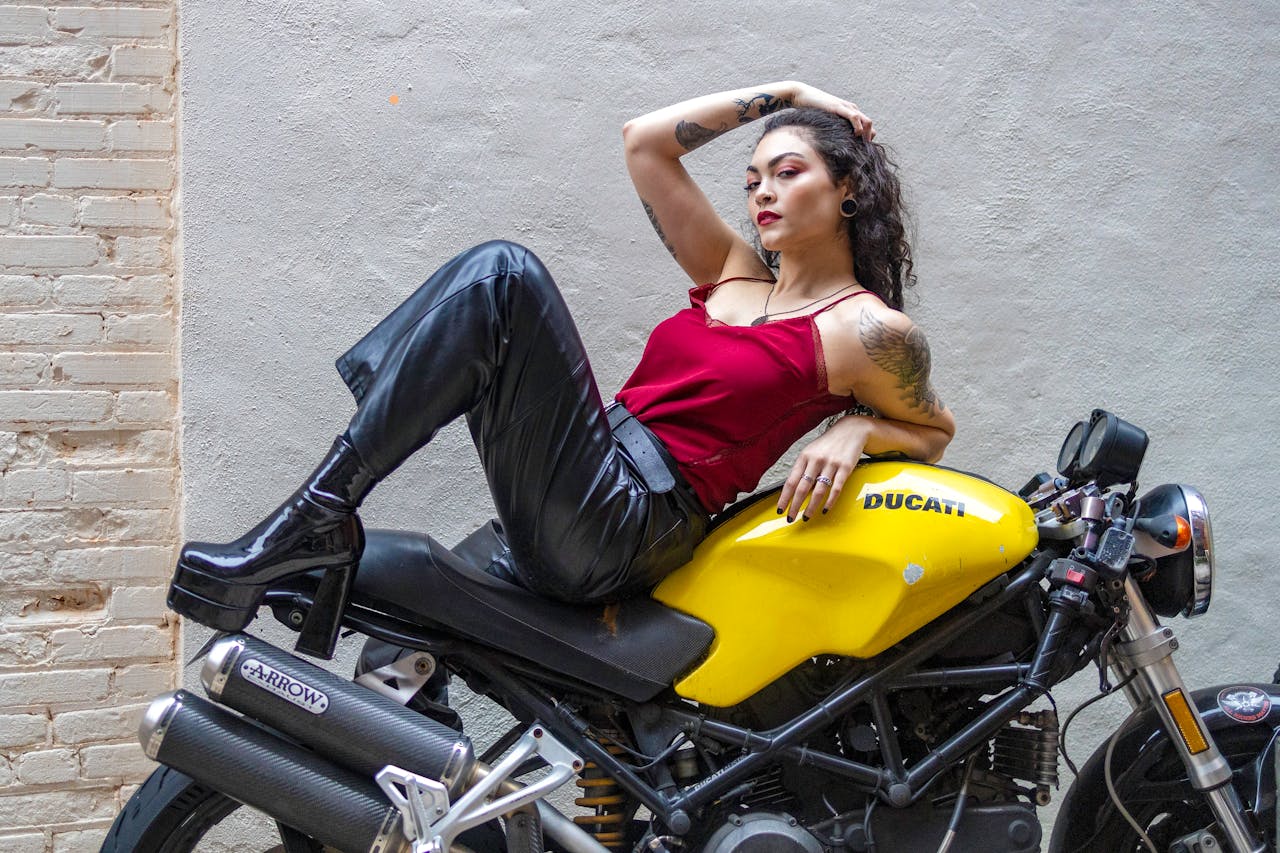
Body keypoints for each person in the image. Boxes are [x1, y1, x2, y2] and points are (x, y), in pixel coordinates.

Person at [168, 81, 956, 654]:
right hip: (585, 476)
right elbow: (644, 141)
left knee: (504, 277)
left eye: (788, 172)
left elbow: (933, 428)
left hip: (629, 518)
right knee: (397, 648)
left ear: (847, 188)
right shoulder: (732, 272)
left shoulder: (865, 329)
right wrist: (787, 94)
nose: (762, 193)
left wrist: (857, 430)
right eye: (752, 180)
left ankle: (314, 514)